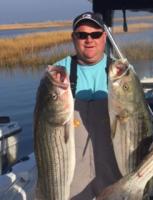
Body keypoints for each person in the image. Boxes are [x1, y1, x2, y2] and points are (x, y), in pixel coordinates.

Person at [54, 12, 122, 199]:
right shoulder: (58, 73)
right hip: (72, 172)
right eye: (82, 35)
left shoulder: (120, 72)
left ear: (104, 36)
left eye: (95, 34)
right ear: (73, 38)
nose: (89, 40)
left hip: (113, 168)